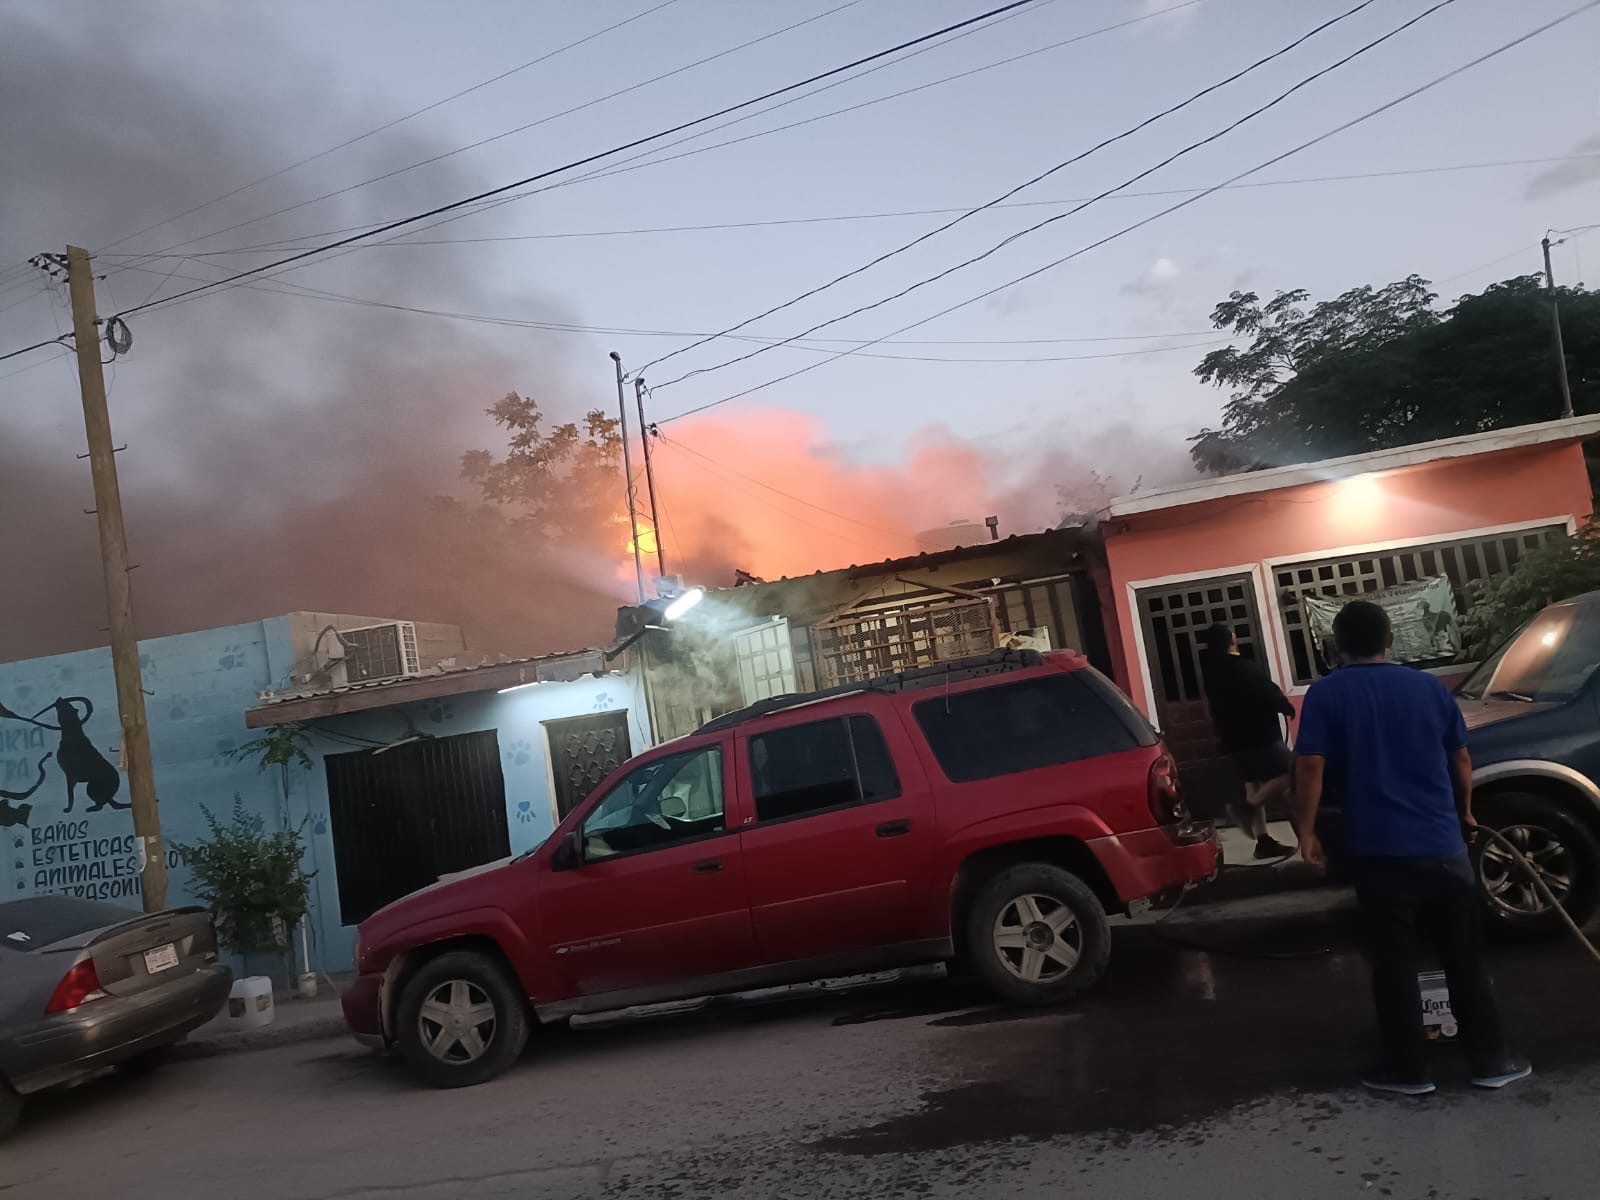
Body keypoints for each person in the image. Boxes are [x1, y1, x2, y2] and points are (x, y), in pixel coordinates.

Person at [1294, 599, 1530, 1096]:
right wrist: (1466, 811)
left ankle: (1409, 1070)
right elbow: (1460, 759)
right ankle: (1490, 1061)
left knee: (1394, 962)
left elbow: (1310, 766)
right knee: (1462, 957)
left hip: (1378, 854)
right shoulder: (1428, 688)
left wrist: (1306, 831)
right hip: (1442, 848)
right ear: (1389, 640)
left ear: (1337, 646)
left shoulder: (1325, 694)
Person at [1197, 623, 1296, 860]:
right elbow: (1267, 692)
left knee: (1254, 785)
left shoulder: (1211, 672)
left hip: (1234, 739)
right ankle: (1246, 807)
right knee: (1293, 772)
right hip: (1260, 735)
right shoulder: (1242, 667)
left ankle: (1263, 841)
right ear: (1232, 640)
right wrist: (1286, 707)